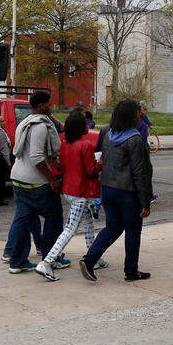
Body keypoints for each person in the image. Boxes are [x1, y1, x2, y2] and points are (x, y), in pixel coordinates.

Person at [79, 99, 152, 282]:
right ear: (131, 116)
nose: (139, 115)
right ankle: (131, 271)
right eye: (136, 112)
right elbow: (139, 173)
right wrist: (145, 201)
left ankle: (89, 260)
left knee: (113, 227)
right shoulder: (134, 139)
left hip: (108, 189)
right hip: (127, 193)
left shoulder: (107, 133)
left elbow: (100, 158)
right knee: (133, 231)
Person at [36, 111, 104, 282]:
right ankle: (47, 262)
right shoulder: (86, 145)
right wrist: (101, 162)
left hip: (69, 190)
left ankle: (94, 257)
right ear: (82, 127)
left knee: (88, 223)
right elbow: (91, 171)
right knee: (70, 229)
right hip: (81, 192)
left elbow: (62, 167)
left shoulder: (65, 144)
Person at [4, 90, 64, 274]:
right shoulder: (39, 126)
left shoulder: (25, 122)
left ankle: (17, 261)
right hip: (36, 183)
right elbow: (37, 157)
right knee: (54, 217)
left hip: (18, 179)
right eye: (48, 104)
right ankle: (49, 258)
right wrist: (52, 179)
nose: (51, 107)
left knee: (24, 220)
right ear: (41, 106)